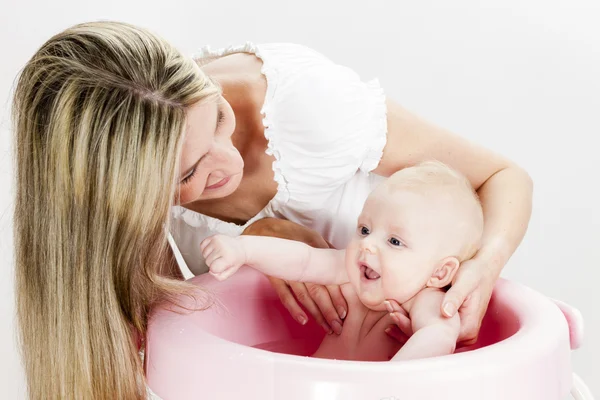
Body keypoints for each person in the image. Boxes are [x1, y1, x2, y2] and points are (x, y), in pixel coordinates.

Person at [12, 20, 532, 399]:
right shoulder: (118, 202)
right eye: (187, 176)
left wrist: (481, 269)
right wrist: (257, 239)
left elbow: (504, 177)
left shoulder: (310, 106)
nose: (227, 161)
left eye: (216, 118)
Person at [202, 161, 484, 361]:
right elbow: (303, 260)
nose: (368, 244)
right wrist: (242, 249)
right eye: (364, 230)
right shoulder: (349, 273)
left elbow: (438, 335)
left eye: (394, 242)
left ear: (439, 272)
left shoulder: (424, 301)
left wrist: (393, 383)